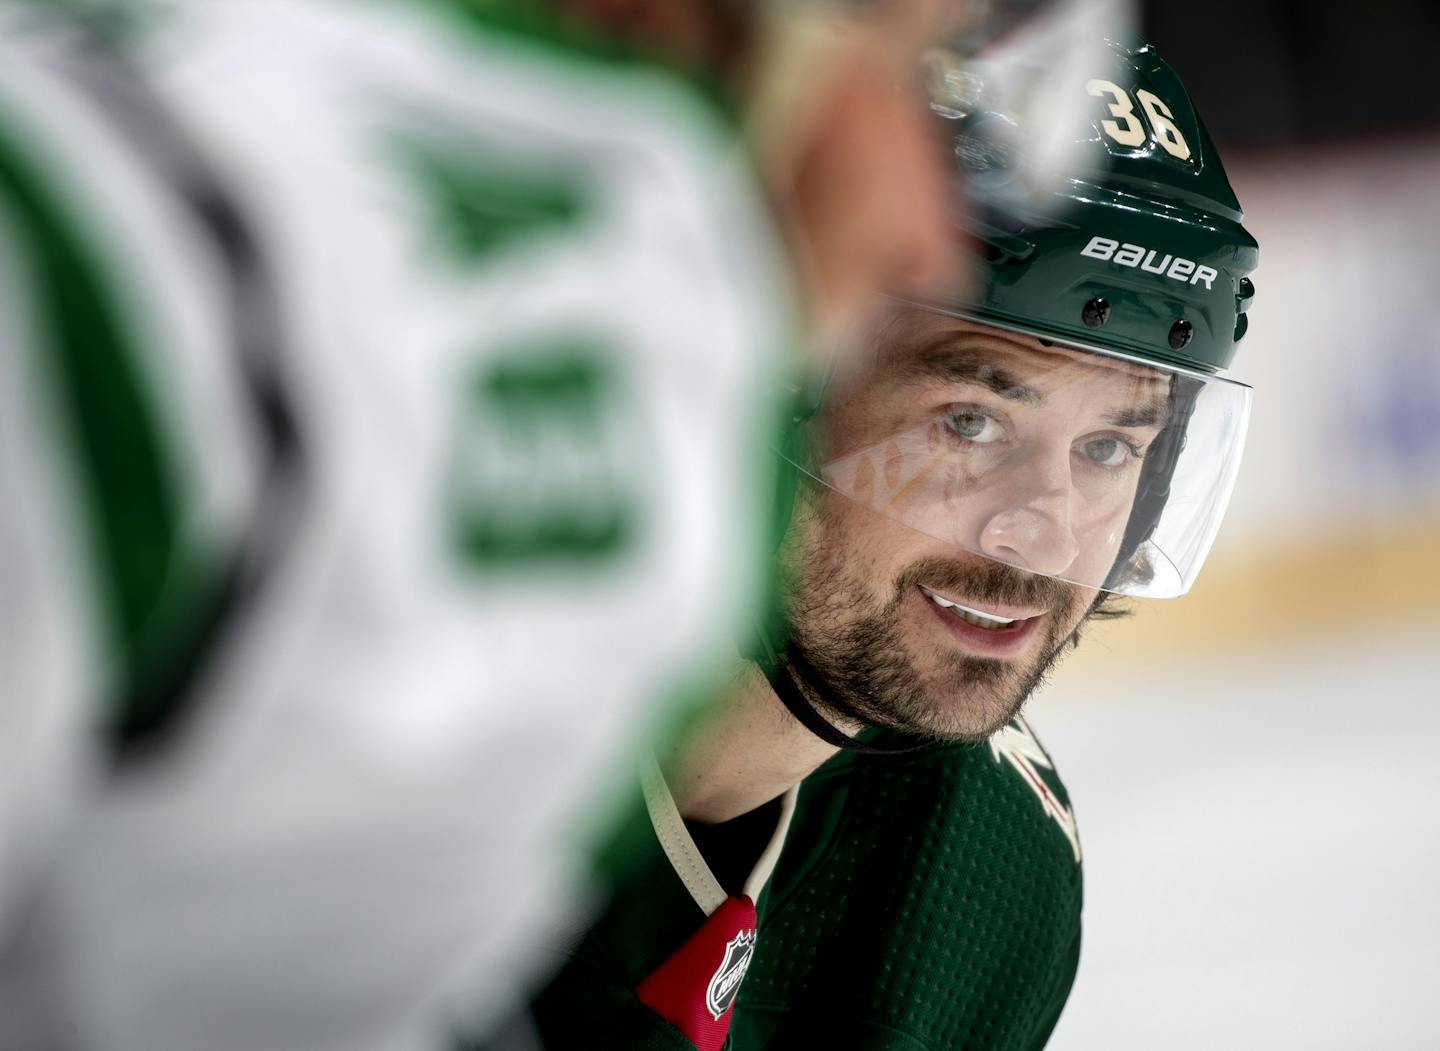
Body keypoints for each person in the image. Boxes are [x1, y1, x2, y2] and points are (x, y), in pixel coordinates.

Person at [0, 0, 1115, 1047]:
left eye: (1113, 446)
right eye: (902, 77)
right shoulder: (161, 284)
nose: (932, 241)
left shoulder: (962, 843)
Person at [507, 33, 1259, 1050]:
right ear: (774, 381)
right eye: (969, 422)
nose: (1038, 531)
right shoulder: (442, 722)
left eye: (1107, 446)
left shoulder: (981, 864)